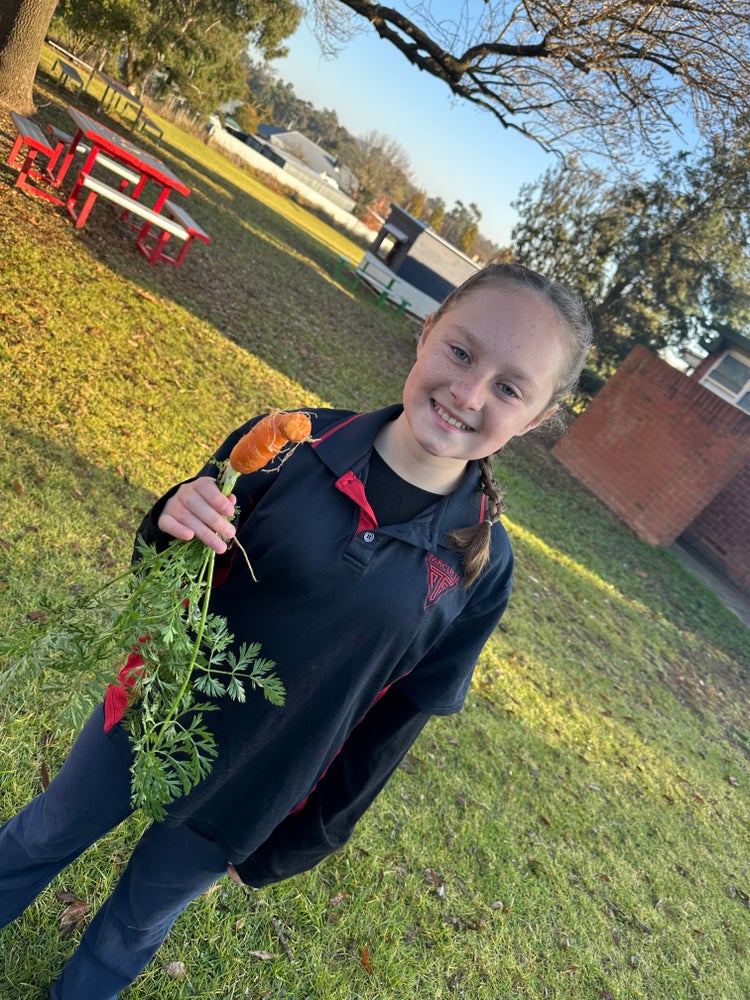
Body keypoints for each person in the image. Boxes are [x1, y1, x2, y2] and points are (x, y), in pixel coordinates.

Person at [0, 263, 592, 998]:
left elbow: (395, 725)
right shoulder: (288, 442)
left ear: (535, 418)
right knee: (41, 835)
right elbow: (167, 573)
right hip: (150, 710)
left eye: (509, 388)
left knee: (137, 921)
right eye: (462, 352)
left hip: (257, 784)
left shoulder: (482, 566)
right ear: (428, 330)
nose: (468, 394)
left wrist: (302, 839)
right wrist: (167, 519)